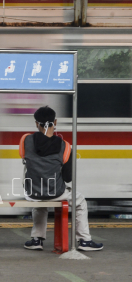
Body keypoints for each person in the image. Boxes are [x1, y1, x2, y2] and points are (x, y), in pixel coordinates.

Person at [20, 105, 103, 251]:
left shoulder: (26, 140)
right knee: (80, 201)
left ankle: (36, 239)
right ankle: (84, 240)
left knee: (39, 201)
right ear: (55, 122)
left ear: (36, 123)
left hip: (32, 192)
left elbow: (25, 158)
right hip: (56, 192)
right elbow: (68, 177)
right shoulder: (65, 146)